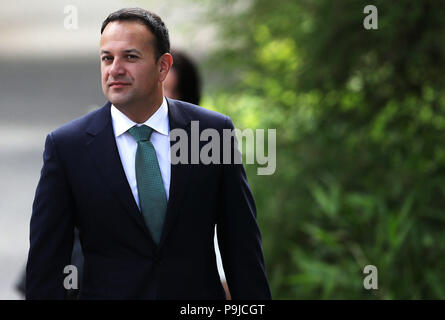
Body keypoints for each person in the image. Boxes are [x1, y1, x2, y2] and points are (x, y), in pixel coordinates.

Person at [26, 7, 271, 300]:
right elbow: (46, 268)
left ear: (163, 67)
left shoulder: (211, 133)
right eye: (107, 58)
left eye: (130, 57)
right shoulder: (67, 147)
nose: (115, 69)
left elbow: (242, 251)